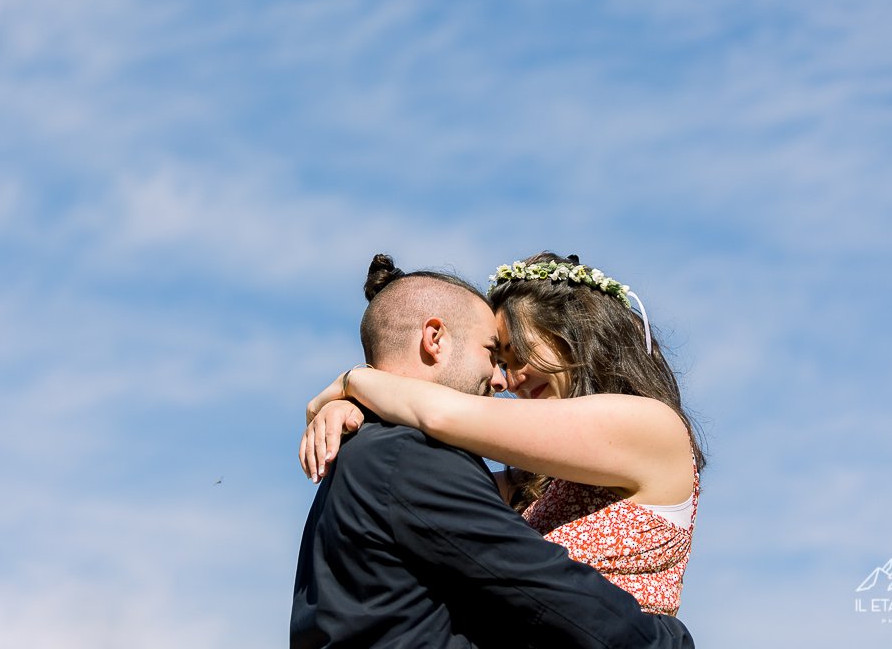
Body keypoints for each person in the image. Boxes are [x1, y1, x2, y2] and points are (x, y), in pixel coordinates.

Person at [291, 255, 693, 648]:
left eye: (518, 353)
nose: (508, 379)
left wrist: (355, 382)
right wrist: (359, 414)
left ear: (574, 335)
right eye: (498, 357)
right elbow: (438, 487)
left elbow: (442, 415)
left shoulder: (651, 425)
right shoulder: (539, 485)